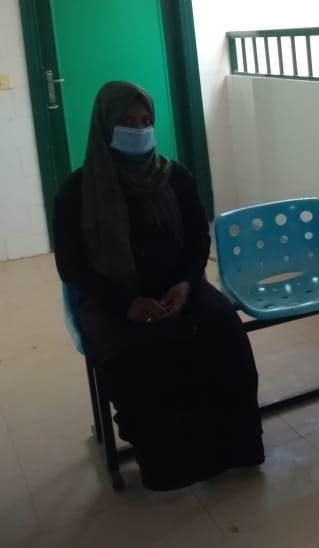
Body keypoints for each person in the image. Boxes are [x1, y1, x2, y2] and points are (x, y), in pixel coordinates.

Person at [53, 81, 264, 491]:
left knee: (222, 328)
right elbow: (72, 267)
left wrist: (186, 284)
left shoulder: (175, 176)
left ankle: (233, 447)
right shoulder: (77, 193)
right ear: (105, 127)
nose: (139, 129)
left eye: (145, 121)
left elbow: (198, 238)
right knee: (141, 353)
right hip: (111, 299)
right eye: (127, 122)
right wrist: (127, 303)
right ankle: (169, 463)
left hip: (178, 287)